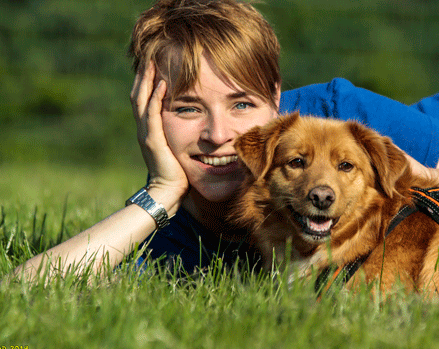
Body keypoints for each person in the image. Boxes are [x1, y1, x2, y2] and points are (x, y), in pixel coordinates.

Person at [11, 0, 439, 281]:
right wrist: (160, 194)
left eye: (241, 105)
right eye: (187, 109)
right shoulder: (173, 226)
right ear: (150, 114)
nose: (219, 137)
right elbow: (23, 290)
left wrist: (425, 174)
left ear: (274, 97)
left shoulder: (338, 115)